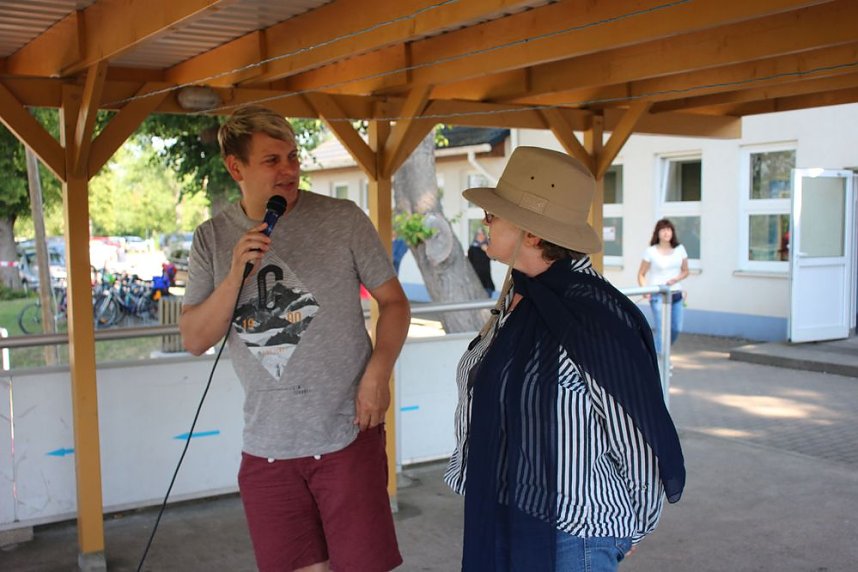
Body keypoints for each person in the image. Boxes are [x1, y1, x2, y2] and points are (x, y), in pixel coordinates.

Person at [179, 105, 409, 572]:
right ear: (235, 167)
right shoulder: (211, 238)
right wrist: (234, 278)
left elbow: (396, 304)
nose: (288, 170)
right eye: (272, 160)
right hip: (268, 449)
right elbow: (194, 339)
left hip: (347, 433)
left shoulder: (342, 218)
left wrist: (377, 375)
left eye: (293, 156)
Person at [444, 147, 685, 571]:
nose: (485, 221)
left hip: (576, 534)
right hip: (504, 511)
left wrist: (629, 524)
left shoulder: (593, 315)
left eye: (494, 214)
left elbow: (637, 433)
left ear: (532, 234)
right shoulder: (518, 298)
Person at [637, 219, 689, 354]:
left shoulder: (680, 249)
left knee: (676, 328)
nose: (666, 232)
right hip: (658, 295)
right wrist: (645, 290)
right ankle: (661, 361)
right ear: (657, 232)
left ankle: (659, 352)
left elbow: (686, 271)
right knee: (662, 330)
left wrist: (676, 279)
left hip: (676, 293)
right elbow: (641, 274)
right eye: (663, 229)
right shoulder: (651, 251)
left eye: (669, 229)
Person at [467, 228, 495, 296]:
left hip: (487, 281)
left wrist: (487, 250)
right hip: (475, 281)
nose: (481, 236)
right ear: (476, 236)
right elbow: (469, 264)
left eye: (482, 234)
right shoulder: (472, 248)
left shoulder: (488, 247)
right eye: (479, 234)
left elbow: (494, 258)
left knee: (487, 302)